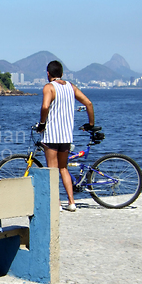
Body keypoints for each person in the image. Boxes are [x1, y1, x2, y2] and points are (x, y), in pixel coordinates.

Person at [37, 60, 95, 212]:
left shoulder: (49, 88)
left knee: (52, 170)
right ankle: (71, 202)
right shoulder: (71, 87)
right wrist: (91, 124)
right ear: (62, 73)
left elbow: (45, 106)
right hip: (66, 136)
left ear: (48, 74)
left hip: (51, 136)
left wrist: (42, 123)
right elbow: (88, 103)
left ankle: (57, 204)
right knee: (63, 168)